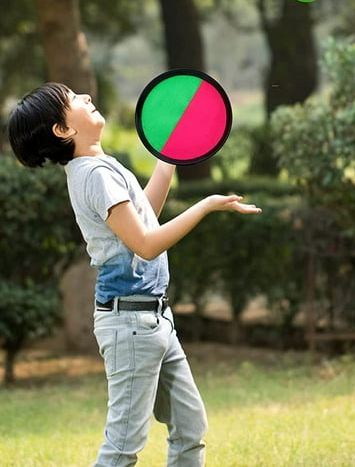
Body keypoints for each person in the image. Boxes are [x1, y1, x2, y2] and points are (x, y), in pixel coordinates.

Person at [8, 82, 262, 467]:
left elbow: (146, 214)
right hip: (130, 323)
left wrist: (170, 153)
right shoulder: (93, 174)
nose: (87, 98)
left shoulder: (100, 166)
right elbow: (146, 243)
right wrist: (206, 205)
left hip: (152, 318)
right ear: (63, 130)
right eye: (75, 100)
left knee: (190, 429)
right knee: (122, 448)